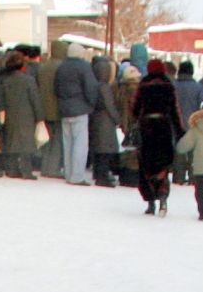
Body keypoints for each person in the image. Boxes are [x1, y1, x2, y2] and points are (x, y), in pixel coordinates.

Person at [131, 58, 183, 215]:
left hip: (147, 126)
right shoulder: (168, 85)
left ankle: (150, 201)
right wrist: (179, 129)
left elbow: (135, 108)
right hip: (163, 126)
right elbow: (175, 109)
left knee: (147, 162)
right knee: (163, 162)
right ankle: (163, 196)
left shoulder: (143, 84)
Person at [54, 42, 99, 186]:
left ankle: (68, 173)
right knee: (80, 144)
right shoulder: (84, 67)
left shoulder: (61, 67)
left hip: (64, 109)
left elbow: (56, 88)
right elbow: (91, 88)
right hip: (80, 109)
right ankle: (77, 176)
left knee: (68, 143)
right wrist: (91, 104)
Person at [0, 49, 43, 179]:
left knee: (12, 142)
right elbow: (35, 99)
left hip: (10, 114)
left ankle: (12, 169)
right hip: (26, 115)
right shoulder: (29, 80)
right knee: (26, 145)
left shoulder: (5, 80)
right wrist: (40, 117)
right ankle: (26, 170)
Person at [89, 54, 124, 186]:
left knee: (98, 148)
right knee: (105, 149)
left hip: (96, 119)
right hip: (106, 121)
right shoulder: (105, 87)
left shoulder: (94, 85)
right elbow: (109, 105)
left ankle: (98, 173)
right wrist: (117, 119)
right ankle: (102, 176)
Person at [36, 40, 68, 178]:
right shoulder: (62, 67)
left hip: (43, 108)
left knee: (47, 140)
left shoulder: (43, 67)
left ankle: (45, 166)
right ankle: (53, 168)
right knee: (57, 141)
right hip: (57, 108)